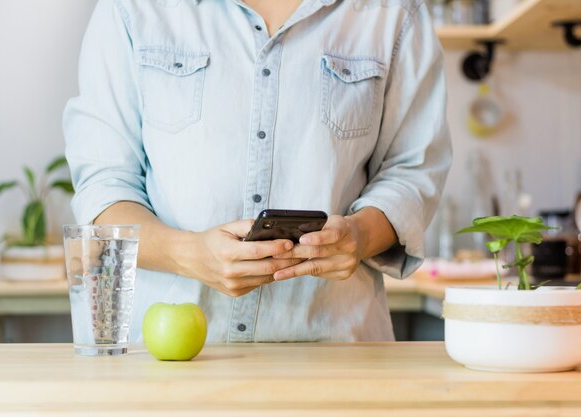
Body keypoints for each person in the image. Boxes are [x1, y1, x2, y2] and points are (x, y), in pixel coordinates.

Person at [63, 0, 452, 343]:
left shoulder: (395, 13)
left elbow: (412, 171)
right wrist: (189, 254)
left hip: (334, 352)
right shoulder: (131, 8)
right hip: (163, 360)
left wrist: (360, 235)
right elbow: (105, 185)